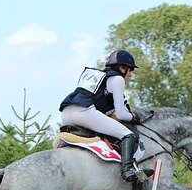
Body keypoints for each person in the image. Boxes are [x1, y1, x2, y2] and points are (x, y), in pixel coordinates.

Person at [59, 49, 143, 182]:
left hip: (66, 114)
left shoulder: (101, 78)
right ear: (122, 68)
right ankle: (127, 170)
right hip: (84, 113)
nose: (131, 75)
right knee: (128, 135)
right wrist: (132, 117)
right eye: (130, 70)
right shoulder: (118, 79)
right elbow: (121, 114)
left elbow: (108, 110)